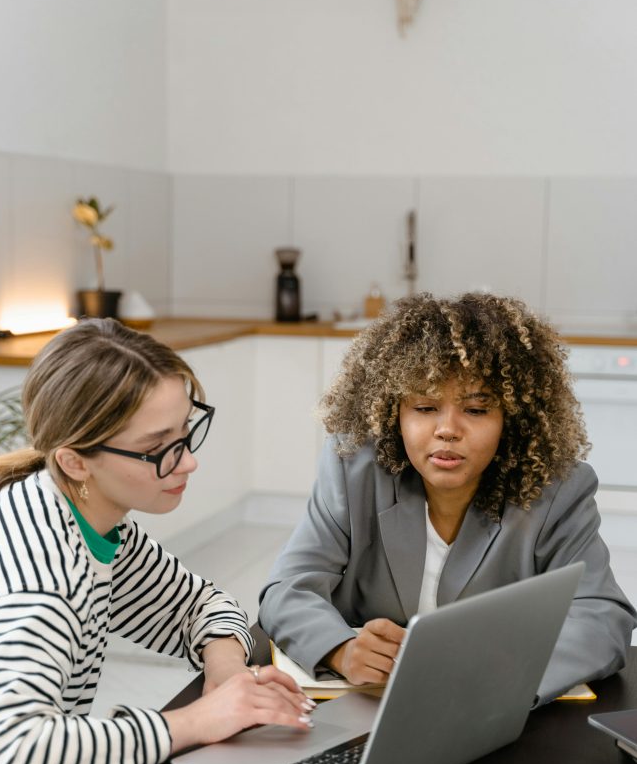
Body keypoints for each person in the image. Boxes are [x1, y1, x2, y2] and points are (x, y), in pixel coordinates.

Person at [0, 318, 313, 764]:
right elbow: (16, 759)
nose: (187, 462)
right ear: (76, 461)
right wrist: (192, 721)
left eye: (185, 435)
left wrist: (224, 672)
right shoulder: (37, 581)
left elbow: (200, 604)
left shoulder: (88, 519)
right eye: (159, 450)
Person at [259, 292, 636, 704]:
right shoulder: (354, 470)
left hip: (489, 718)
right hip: (366, 710)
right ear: (393, 412)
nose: (447, 430)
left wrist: (501, 676)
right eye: (424, 407)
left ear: (511, 418)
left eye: (475, 410)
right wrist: (340, 649)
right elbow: (287, 589)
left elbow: (602, 617)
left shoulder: (556, 488)